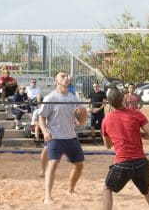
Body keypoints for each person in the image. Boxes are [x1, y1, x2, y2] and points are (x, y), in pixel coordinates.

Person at [102, 87, 149, 210]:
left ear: (110, 103)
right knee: (146, 191)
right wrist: (139, 134)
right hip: (141, 162)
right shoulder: (137, 114)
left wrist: (117, 135)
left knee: (107, 188)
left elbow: (107, 145)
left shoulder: (106, 120)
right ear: (124, 99)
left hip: (122, 163)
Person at [39, 71, 87, 204]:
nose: (66, 78)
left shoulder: (73, 98)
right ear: (56, 81)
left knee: (79, 166)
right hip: (55, 137)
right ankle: (47, 197)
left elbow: (82, 119)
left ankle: (70, 190)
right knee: (53, 164)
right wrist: (45, 132)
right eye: (62, 76)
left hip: (71, 137)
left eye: (67, 76)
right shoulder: (50, 98)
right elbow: (41, 118)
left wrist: (83, 114)